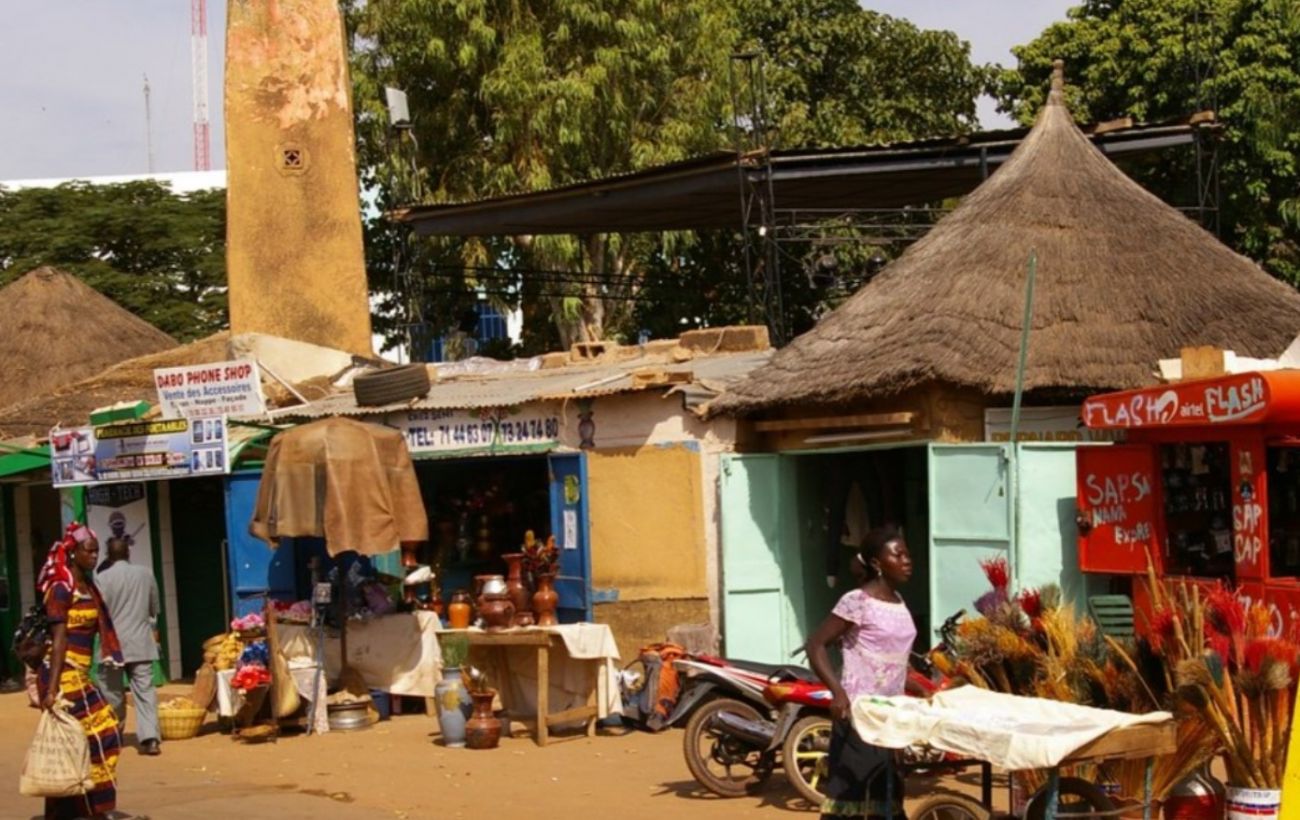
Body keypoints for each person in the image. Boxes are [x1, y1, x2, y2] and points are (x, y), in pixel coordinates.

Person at [805, 525, 917, 820]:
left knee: (887, 797)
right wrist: (838, 692)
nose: (907, 560)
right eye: (899, 554)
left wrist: (924, 689)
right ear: (878, 564)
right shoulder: (857, 601)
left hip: (890, 717)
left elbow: (895, 660)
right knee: (852, 801)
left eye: (907, 554)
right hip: (858, 715)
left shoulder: (899, 603)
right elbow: (816, 644)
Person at [36, 523, 126, 820]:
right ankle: (96, 809)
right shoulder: (60, 589)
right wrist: (50, 692)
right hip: (62, 674)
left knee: (77, 743)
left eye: (96, 551)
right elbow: (59, 639)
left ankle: (70, 810)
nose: (93, 555)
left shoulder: (87, 586)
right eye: (88, 551)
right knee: (106, 732)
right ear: (72, 553)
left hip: (79, 673)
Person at [96, 536, 162, 756]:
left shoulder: (101, 579)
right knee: (145, 692)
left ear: (108, 555)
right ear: (128, 553)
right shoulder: (146, 574)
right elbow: (154, 608)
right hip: (141, 643)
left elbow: (98, 613)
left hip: (111, 647)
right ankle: (150, 738)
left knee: (112, 693)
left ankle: (114, 733)